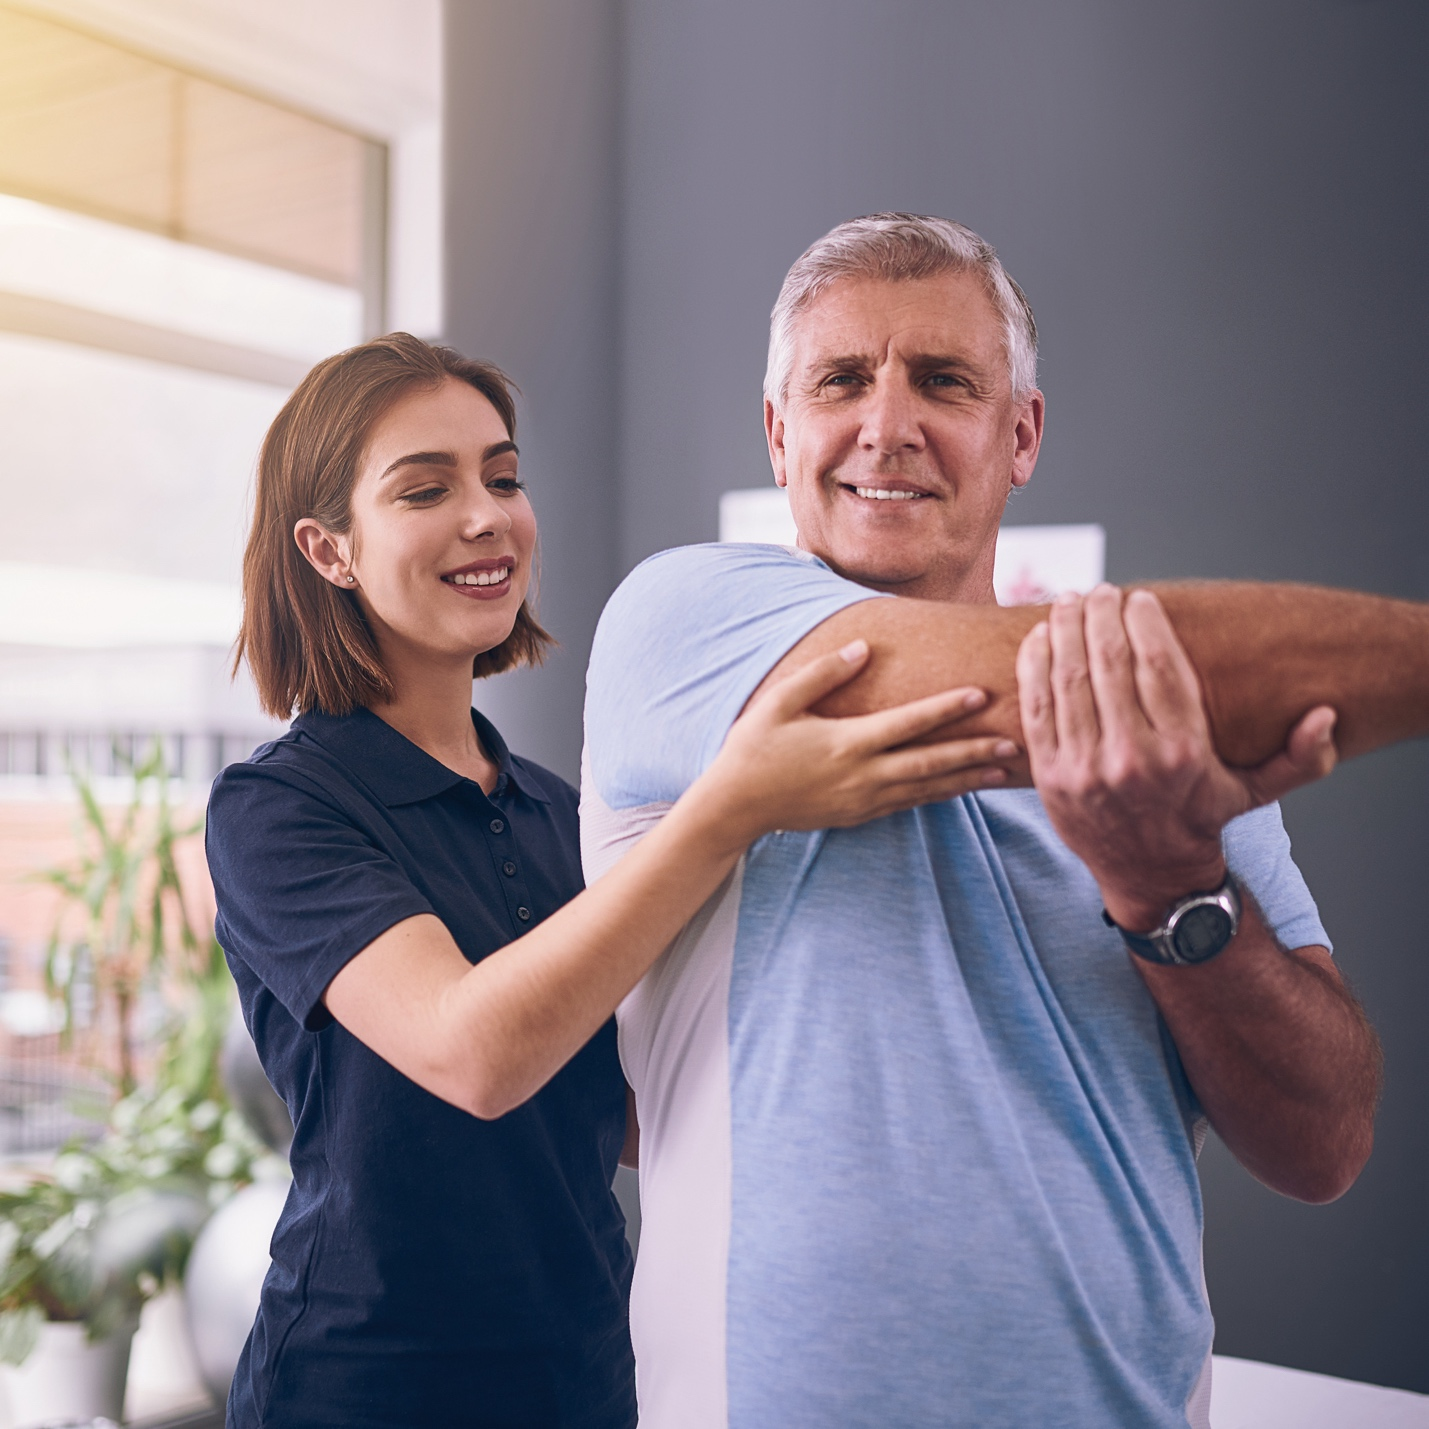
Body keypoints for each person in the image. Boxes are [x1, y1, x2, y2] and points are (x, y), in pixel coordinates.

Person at [579, 215, 1429, 1429]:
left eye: (943, 381)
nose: (886, 426)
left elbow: (1323, 1145)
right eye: (838, 381)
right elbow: (1034, 685)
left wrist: (1170, 895)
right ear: (778, 433)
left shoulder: (1169, 752)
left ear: (1018, 433)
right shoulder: (681, 623)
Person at [203, 332, 1014, 1429]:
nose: (487, 514)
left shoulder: (555, 811)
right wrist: (732, 806)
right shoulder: (279, 809)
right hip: (366, 1386)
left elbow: (627, 1107)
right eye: (425, 488)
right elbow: (476, 1054)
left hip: (586, 1376)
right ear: (329, 549)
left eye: (503, 474)